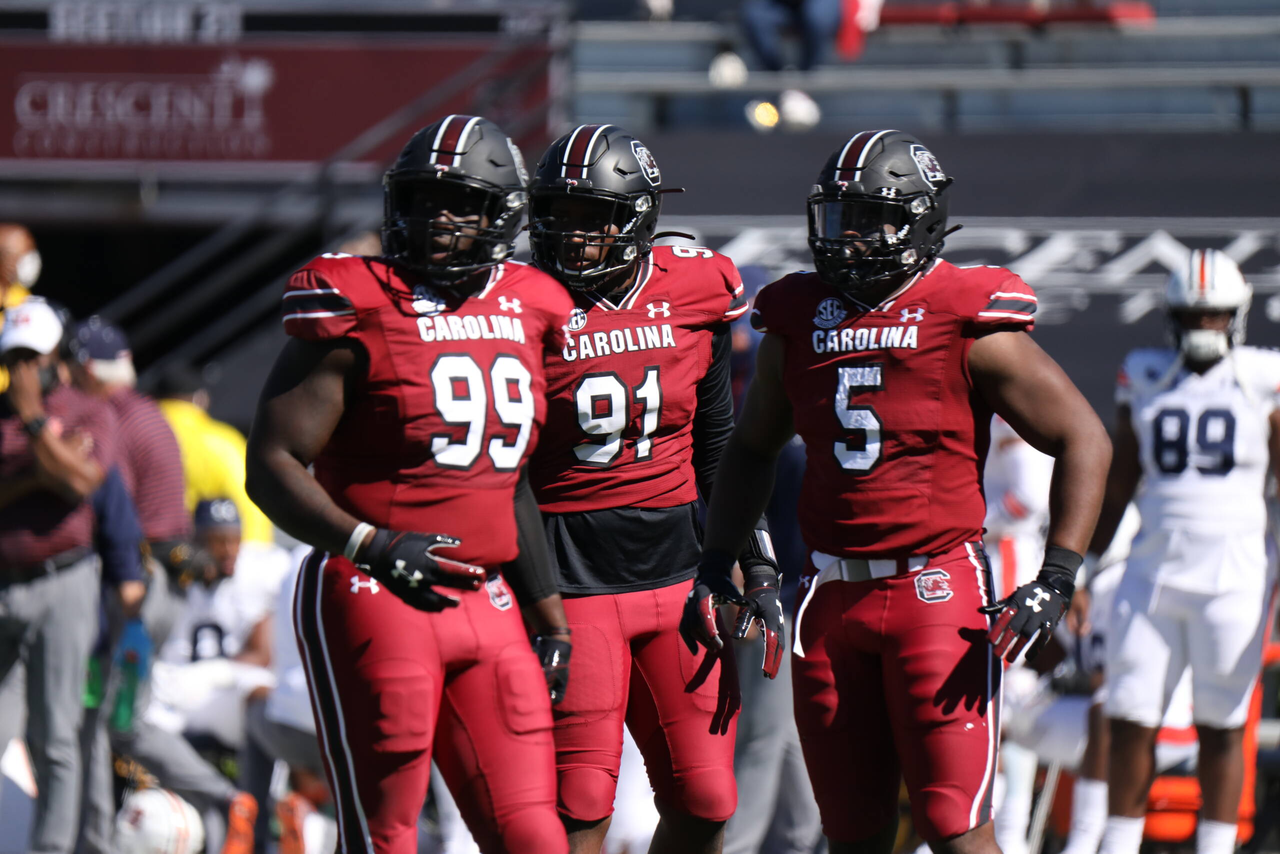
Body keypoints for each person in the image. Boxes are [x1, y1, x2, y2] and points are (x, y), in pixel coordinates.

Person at [684, 129, 1112, 854]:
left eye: (871, 218)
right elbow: (751, 447)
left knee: (954, 826)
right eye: (839, 217)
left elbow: (1084, 438)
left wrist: (1056, 576)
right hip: (827, 599)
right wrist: (721, 559)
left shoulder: (965, 314)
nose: (849, 237)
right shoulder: (798, 315)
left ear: (919, 222)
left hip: (935, 593)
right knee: (852, 834)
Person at [245, 114, 574, 854]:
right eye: (422, 199)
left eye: (459, 203)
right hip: (376, 590)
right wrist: (369, 543)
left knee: (535, 838)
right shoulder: (357, 299)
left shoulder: (531, 302)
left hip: (488, 599)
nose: (436, 219)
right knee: (385, 837)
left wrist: (549, 617)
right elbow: (270, 461)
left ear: (502, 215)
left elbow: (506, 479)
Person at [524, 124, 780, 854]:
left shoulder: (697, 286)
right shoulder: (518, 303)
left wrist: (752, 554)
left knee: (706, 800)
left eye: (592, 216)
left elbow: (719, 442)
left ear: (637, 218)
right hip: (568, 577)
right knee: (580, 807)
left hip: (677, 572)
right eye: (559, 213)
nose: (571, 235)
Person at [1086, 249, 1278, 854]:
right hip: (1151, 574)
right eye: (1194, 317)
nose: (1204, 328)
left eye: (1215, 316)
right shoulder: (1144, 373)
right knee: (1129, 717)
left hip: (1236, 576)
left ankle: (1215, 849)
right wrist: (1084, 567)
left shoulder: (1260, 376)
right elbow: (1121, 480)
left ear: (1236, 317)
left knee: (1222, 725)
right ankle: (1118, 844)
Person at [0, 298, 114, 854]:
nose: (24, 371)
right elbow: (59, 473)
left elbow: (82, 481)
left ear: (57, 357)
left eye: (33, 357)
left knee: (57, 736)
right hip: (6, 582)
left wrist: (34, 423)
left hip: (65, 581)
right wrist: (44, 466)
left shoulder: (86, 409)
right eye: (15, 358)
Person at [155, 363, 274, 545]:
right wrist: (254, 551)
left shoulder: (137, 434)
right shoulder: (221, 441)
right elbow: (249, 503)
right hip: (209, 555)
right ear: (201, 399)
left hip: (147, 550)